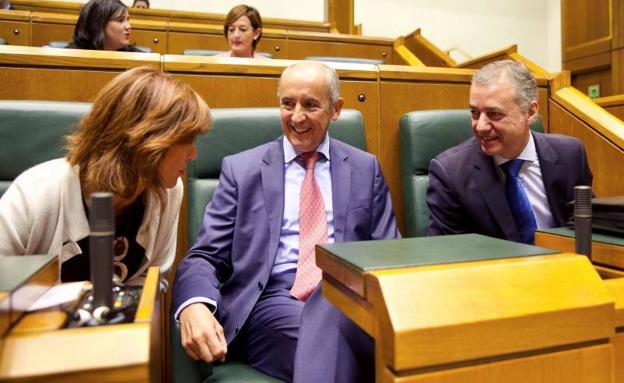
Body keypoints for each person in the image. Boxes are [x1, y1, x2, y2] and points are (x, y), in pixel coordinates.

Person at [173, 61, 399, 382]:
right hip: (274, 300)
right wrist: (194, 304)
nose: (296, 117)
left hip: (350, 299)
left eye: (310, 105)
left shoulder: (365, 168)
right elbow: (205, 255)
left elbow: (389, 252)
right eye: (287, 104)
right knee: (343, 342)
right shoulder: (242, 170)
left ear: (336, 109)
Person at [0, 66, 211, 287]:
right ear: (147, 141)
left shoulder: (169, 191)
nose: (194, 154)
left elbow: (151, 286)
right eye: (186, 140)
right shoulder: (35, 193)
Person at [427, 60, 592, 243]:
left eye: (494, 114)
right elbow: (447, 255)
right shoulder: (450, 172)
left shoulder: (570, 155)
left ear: (530, 113)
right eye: (474, 113)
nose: (480, 126)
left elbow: (590, 230)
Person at [67, 0, 143, 52]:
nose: (128, 26)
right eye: (120, 20)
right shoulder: (70, 55)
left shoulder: (138, 57)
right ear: (98, 24)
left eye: (127, 20)